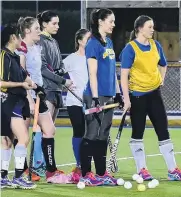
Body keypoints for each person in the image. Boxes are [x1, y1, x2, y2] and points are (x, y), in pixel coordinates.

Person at [119, 15, 181, 181]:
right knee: (138, 132)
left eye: (152, 27)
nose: (152, 29)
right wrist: (126, 99)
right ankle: (141, 169)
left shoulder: (155, 45)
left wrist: (161, 80)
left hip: (154, 95)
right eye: (149, 27)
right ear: (140, 28)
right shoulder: (130, 49)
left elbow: (163, 64)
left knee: (163, 130)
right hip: (137, 97)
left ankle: (173, 170)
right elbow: (123, 76)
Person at [16, 16, 71, 184]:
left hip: (39, 93)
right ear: (27, 31)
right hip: (24, 97)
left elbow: (41, 70)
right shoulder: (21, 49)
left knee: (49, 129)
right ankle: (23, 171)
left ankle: (51, 172)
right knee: (22, 136)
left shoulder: (38, 47)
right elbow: (21, 75)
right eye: (36, 28)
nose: (39, 31)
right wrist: (29, 100)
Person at [79, 8, 122, 186]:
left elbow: (112, 72)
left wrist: (118, 93)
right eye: (110, 21)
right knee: (92, 133)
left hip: (109, 95)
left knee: (103, 134)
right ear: (100, 22)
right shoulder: (92, 44)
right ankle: (86, 174)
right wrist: (96, 98)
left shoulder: (109, 43)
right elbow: (92, 73)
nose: (113, 24)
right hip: (94, 96)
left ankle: (102, 173)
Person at [0, 22, 40, 189]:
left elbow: (25, 77)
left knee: (7, 141)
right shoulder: (3, 55)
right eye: (19, 35)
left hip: (16, 102)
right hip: (8, 102)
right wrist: (21, 85)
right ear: (12, 37)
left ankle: (3, 178)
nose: (21, 39)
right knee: (23, 138)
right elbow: (1, 82)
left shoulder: (14, 56)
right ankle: (17, 177)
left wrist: (32, 84)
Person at [63, 28, 91, 184]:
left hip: (91, 103)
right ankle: (79, 165)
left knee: (91, 135)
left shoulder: (93, 58)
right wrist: (65, 83)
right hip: (74, 102)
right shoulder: (71, 59)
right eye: (87, 39)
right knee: (79, 132)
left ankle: (89, 166)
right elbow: (57, 73)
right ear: (80, 41)